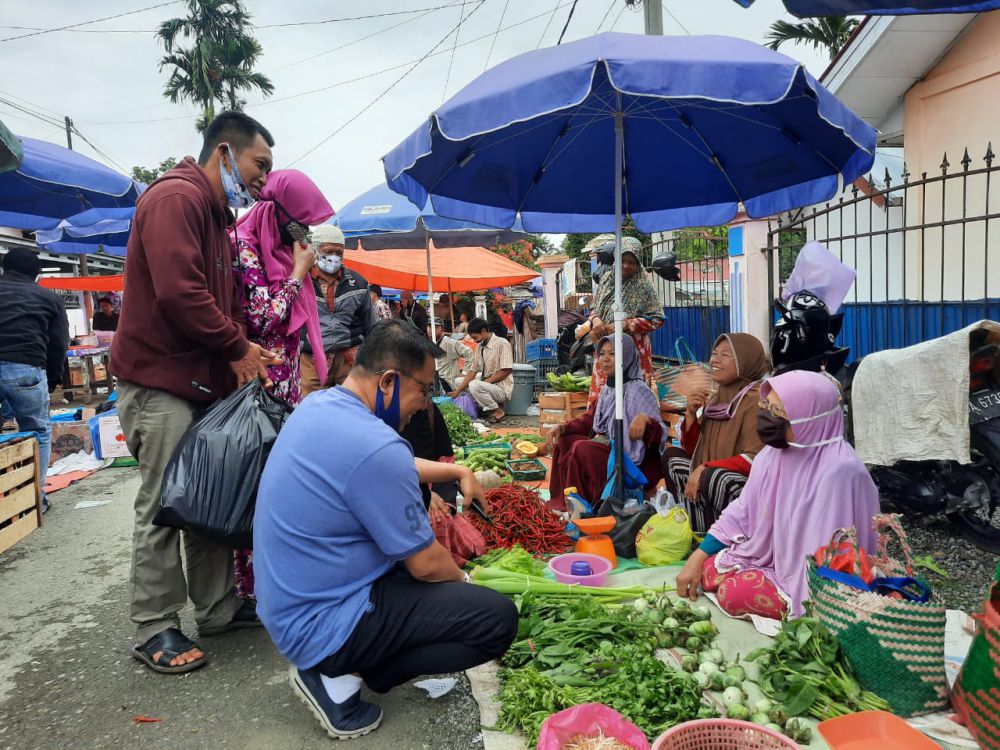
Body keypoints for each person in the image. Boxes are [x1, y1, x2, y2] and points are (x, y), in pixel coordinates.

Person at [254, 320, 518, 739]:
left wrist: (458, 470)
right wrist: (466, 583)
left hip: (289, 607)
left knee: (419, 572)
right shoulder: (376, 444)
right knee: (495, 619)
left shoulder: (320, 406)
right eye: (424, 390)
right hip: (321, 624)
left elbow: (381, 463)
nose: (424, 404)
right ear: (389, 381)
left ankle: (344, 662)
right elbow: (427, 566)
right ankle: (342, 676)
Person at [110, 111, 280, 675]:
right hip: (159, 380)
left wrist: (245, 348)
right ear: (225, 152)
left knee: (208, 495)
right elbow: (180, 293)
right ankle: (154, 623)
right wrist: (236, 346)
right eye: (259, 164)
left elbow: (224, 301)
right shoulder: (174, 198)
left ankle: (217, 607)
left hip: (199, 381)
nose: (262, 178)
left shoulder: (215, 215)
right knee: (165, 501)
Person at [675, 370, 880, 619]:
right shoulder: (772, 455)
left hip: (813, 578)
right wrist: (697, 557)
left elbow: (827, 560)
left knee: (733, 593)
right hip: (772, 560)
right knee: (708, 568)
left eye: (777, 411)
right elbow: (742, 513)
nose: (767, 417)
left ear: (810, 420)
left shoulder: (840, 472)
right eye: (766, 407)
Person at [232, 169, 333, 408]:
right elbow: (262, 319)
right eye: (300, 223)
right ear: (275, 211)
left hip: (287, 382)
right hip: (260, 387)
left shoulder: (281, 252)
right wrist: (297, 274)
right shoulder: (243, 248)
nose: (303, 231)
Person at [662, 334, 767, 534]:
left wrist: (705, 468)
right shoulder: (716, 400)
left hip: (743, 490)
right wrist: (690, 414)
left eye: (724, 355)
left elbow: (755, 460)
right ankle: (697, 529)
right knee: (672, 457)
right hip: (709, 479)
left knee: (713, 476)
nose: (714, 361)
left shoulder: (757, 401)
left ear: (745, 361)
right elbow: (695, 452)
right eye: (714, 354)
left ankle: (724, 537)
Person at [547, 335, 666, 509]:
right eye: (602, 354)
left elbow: (658, 435)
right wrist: (563, 428)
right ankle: (563, 501)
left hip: (631, 463)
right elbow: (591, 420)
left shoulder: (640, 391)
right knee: (565, 441)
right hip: (609, 449)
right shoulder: (607, 391)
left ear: (626, 356)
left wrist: (646, 421)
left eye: (613, 353)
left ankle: (587, 507)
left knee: (581, 448)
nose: (605, 359)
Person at [0, 248, 68, 513]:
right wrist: (53, 377)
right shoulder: (48, 298)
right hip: (26, 368)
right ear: (37, 274)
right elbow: (58, 343)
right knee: (37, 430)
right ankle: (37, 501)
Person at [300, 224, 378, 397]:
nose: (334, 257)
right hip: (312, 359)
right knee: (312, 405)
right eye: (329, 251)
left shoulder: (358, 283)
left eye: (339, 252)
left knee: (353, 403)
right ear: (315, 250)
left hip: (350, 359)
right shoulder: (301, 280)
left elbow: (372, 323)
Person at [586, 236, 664, 406]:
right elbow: (594, 307)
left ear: (638, 263)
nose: (627, 265)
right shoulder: (606, 280)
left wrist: (629, 324)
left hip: (635, 350)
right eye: (623, 260)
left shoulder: (644, 285)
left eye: (632, 262)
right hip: (607, 347)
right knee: (604, 397)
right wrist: (596, 319)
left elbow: (657, 319)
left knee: (634, 401)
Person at [448, 317, 513, 423]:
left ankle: (497, 410)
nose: (474, 341)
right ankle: (484, 406)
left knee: (474, 385)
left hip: (501, 389)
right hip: (487, 385)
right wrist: (457, 391)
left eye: (475, 337)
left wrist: (485, 382)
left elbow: (506, 370)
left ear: (483, 331)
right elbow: (472, 371)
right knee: (458, 381)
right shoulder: (479, 347)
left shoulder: (502, 343)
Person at [428, 318, 472, 394]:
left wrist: (465, 372)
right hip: (434, 380)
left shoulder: (449, 343)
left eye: (436, 327)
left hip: (447, 383)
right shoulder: (429, 344)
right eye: (429, 327)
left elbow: (469, 353)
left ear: (442, 329)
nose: (431, 330)